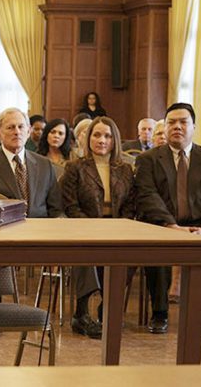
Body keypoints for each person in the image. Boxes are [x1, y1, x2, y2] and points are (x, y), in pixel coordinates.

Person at [135, 103, 201, 335]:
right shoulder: (148, 159)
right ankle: (159, 313)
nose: (177, 127)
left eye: (183, 122)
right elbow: (147, 196)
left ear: (194, 127)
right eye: (171, 122)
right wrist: (171, 225)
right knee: (154, 245)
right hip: (164, 225)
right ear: (165, 127)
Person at [0, 107, 64, 339]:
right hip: (4, 230)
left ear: (29, 130)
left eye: (21, 126)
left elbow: (56, 208)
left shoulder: (44, 164)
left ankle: (81, 314)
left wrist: (62, 231)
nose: (17, 131)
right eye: (10, 127)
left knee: (81, 244)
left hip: (41, 231)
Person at [60, 117, 136, 339]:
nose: (102, 140)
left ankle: (107, 305)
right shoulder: (75, 167)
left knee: (131, 253)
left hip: (117, 227)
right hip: (83, 227)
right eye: (97, 135)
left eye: (107, 136)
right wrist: (91, 226)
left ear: (115, 140)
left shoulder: (125, 169)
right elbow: (70, 205)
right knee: (87, 250)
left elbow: (131, 204)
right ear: (88, 138)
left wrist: (121, 225)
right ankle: (81, 313)